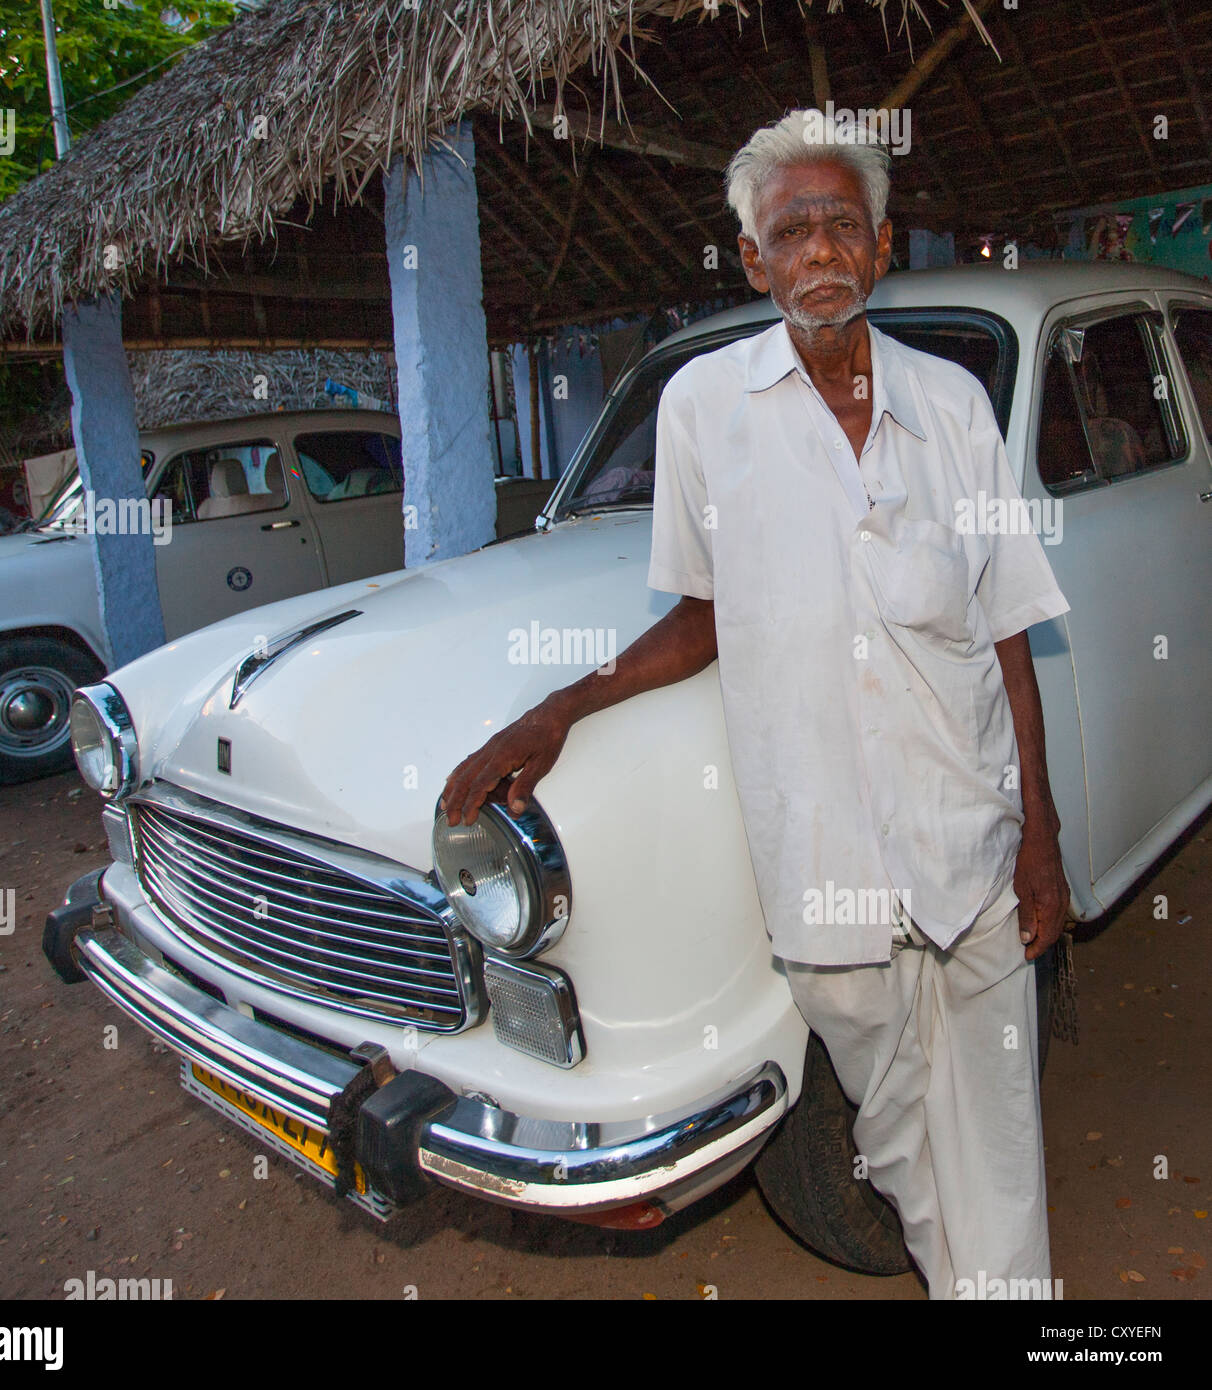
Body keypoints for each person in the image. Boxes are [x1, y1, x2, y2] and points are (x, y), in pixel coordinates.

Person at [440, 108, 1070, 1300]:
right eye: (793, 232)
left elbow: (1006, 628)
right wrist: (563, 705)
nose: (820, 251)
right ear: (752, 260)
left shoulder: (953, 410)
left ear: (881, 248)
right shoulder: (700, 409)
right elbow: (702, 614)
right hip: (822, 865)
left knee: (997, 1136)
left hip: (967, 844)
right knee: (895, 1144)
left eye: (843, 226)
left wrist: (1039, 838)